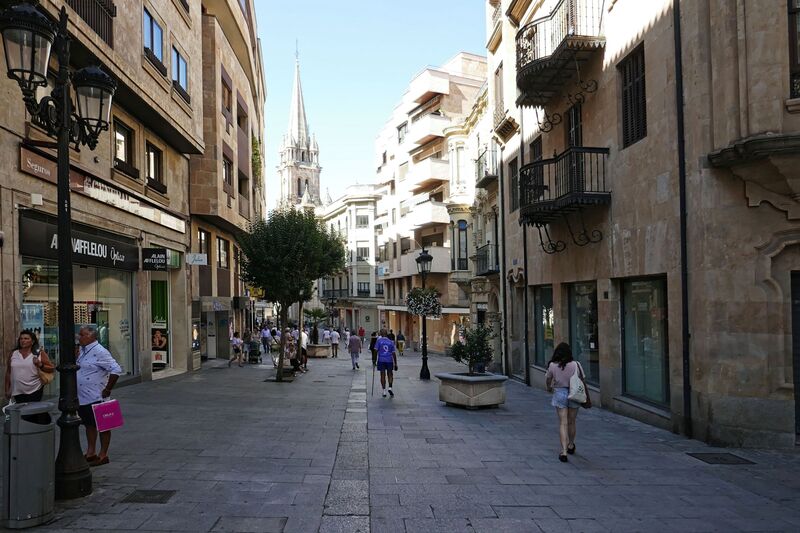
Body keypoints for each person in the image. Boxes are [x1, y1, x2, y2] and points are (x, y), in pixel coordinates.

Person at [76, 326, 122, 466]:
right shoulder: (83, 350)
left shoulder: (100, 351)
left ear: (91, 336)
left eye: (82, 335)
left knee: (104, 425)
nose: (79, 337)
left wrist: (108, 389)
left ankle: (103, 454)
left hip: (97, 395)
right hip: (83, 396)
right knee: (89, 424)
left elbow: (116, 369)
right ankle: (91, 452)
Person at [545, 342, 588, 462]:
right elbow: (582, 378)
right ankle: (571, 444)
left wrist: (548, 388)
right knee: (572, 422)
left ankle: (563, 452)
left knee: (562, 423)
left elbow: (548, 379)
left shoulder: (553, 365)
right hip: (574, 393)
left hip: (560, 393)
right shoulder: (576, 364)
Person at [5, 329, 55, 403]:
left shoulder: (39, 353)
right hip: (17, 391)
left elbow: (51, 369)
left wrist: (40, 364)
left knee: (31, 411)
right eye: (21, 339)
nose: (23, 340)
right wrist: (7, 389)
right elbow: (8, 372)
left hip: (35, 389)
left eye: (26, 338)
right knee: (23, 412)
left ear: (32, 341)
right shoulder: (13, 354)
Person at [375, 329, 398, 397]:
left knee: (382, 375)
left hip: (381, 360)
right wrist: (395, 363)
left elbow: (375, 351)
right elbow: (393, 353)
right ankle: (390, 387)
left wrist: (374, 359)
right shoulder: (391, 342)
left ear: (381, 334)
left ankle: (384, 391)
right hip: (389, 360)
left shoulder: (379, 341)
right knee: (390, 374)